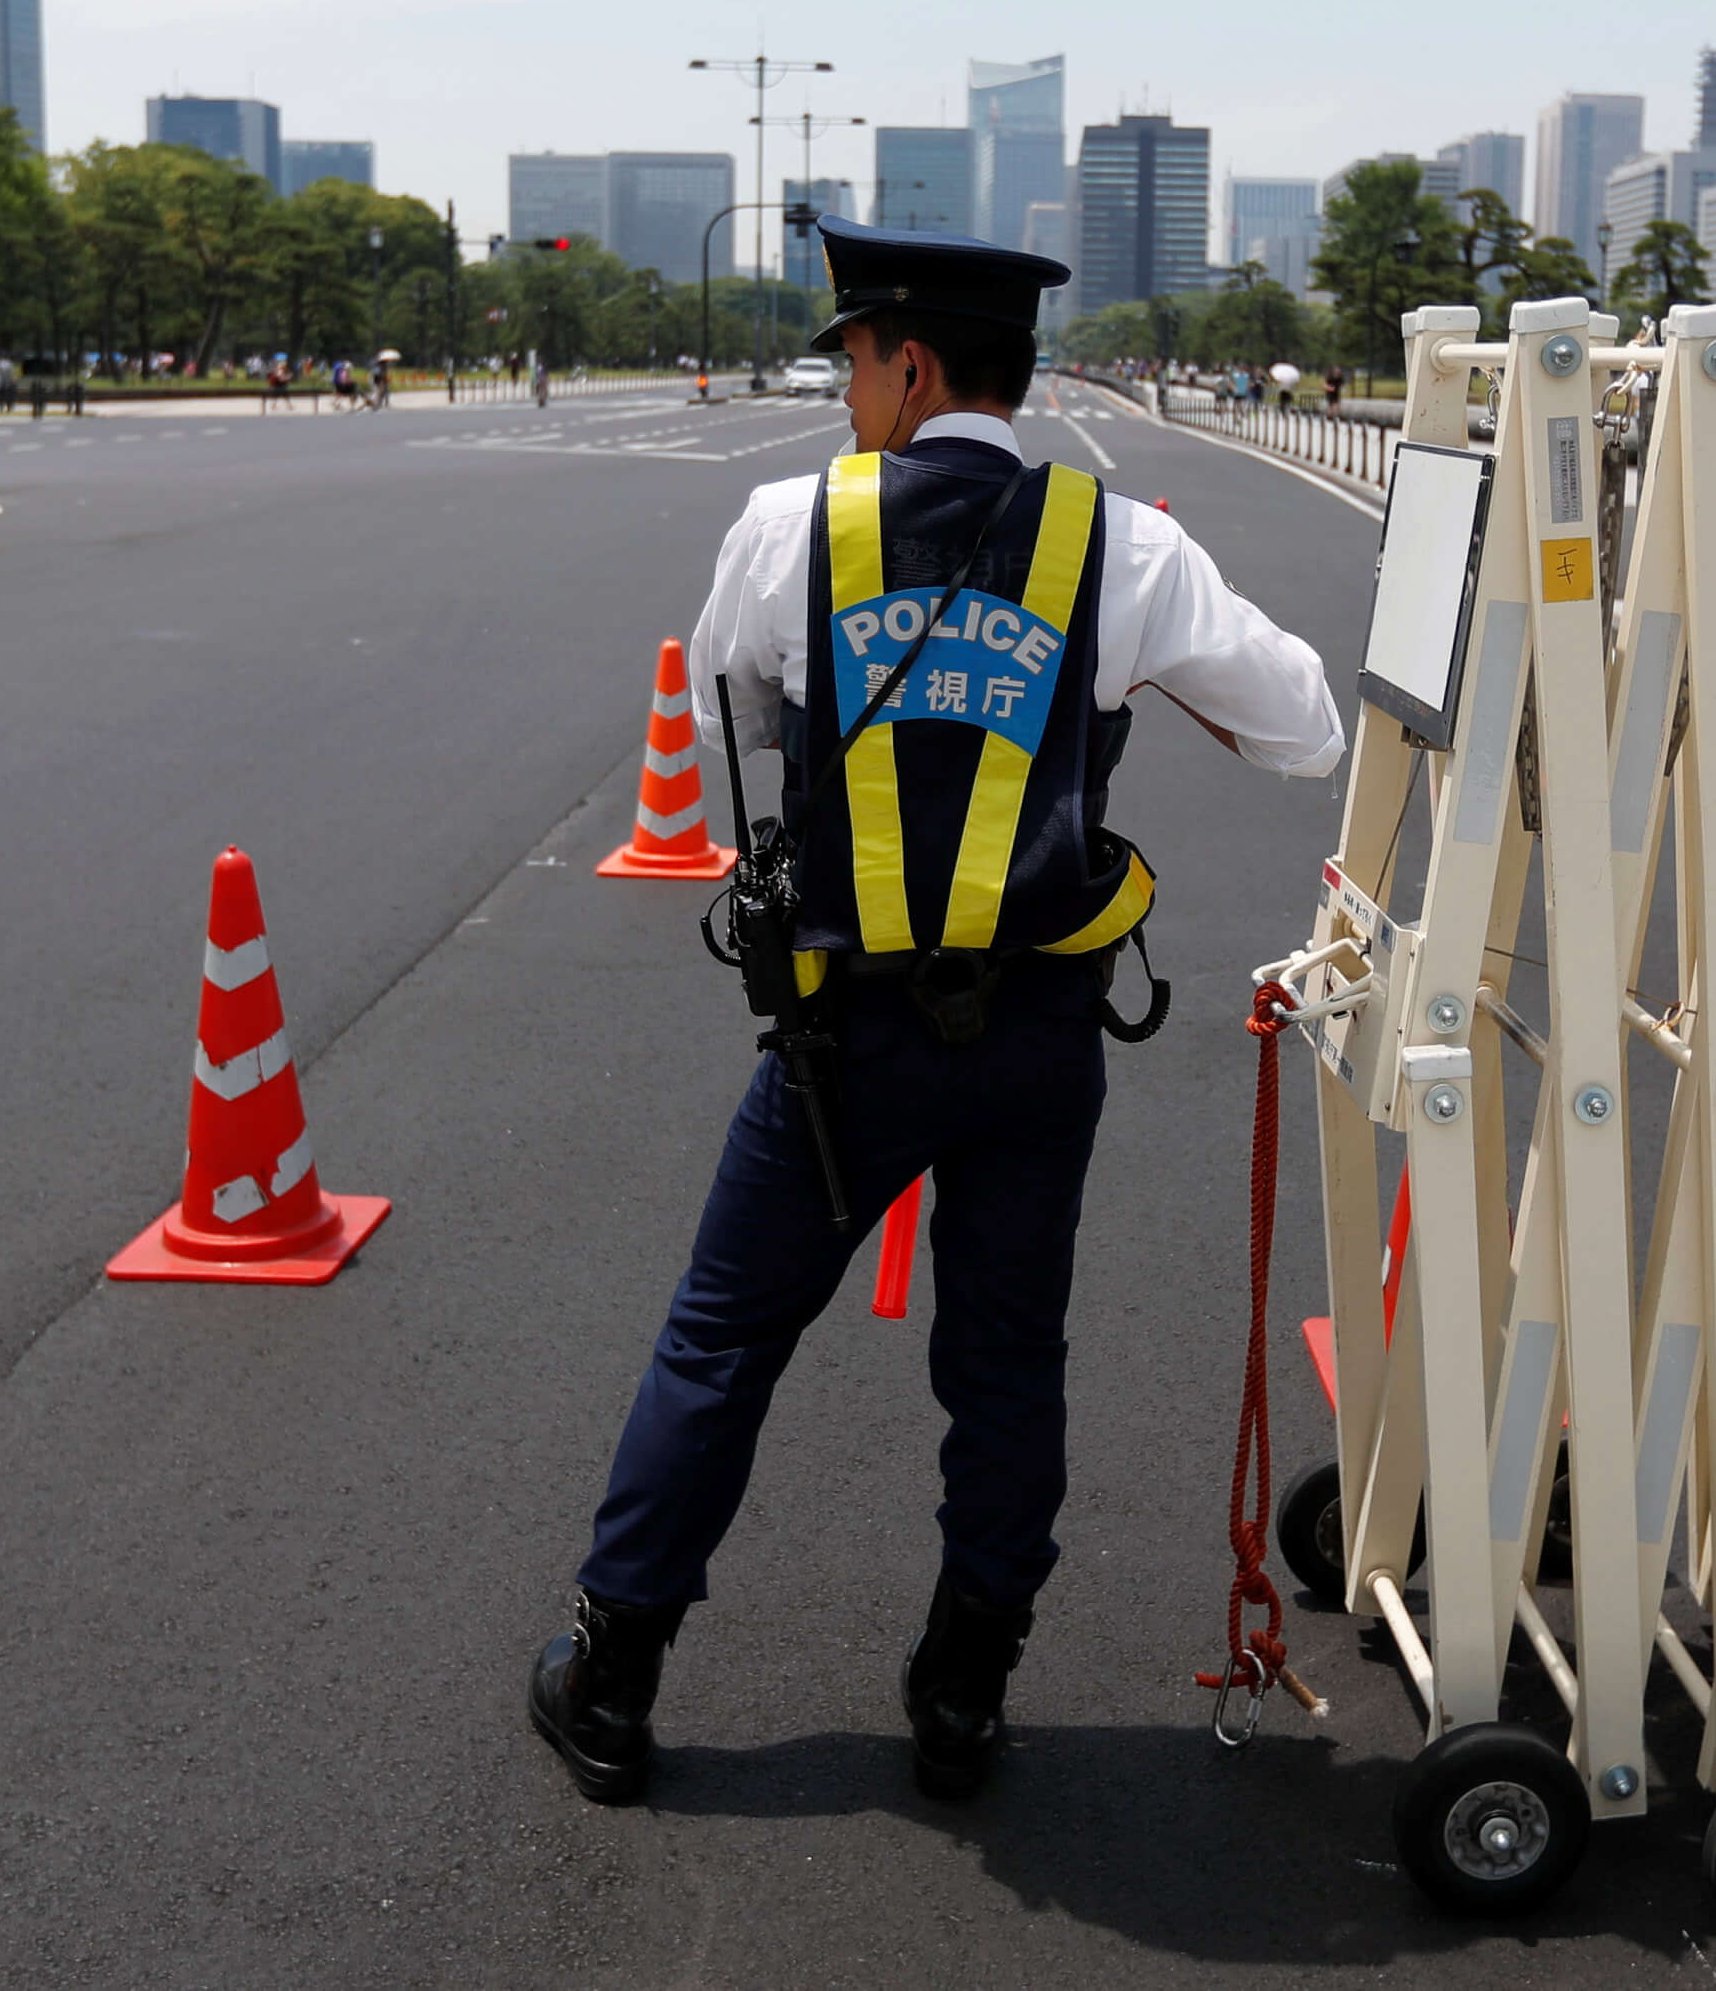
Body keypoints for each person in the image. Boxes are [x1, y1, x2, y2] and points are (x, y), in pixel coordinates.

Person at [528, 219, 1344, 1809]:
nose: (845, 392)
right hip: (1037, 1036)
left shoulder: (789, 526)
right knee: (1006, 1360)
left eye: (851, 363)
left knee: (723, 1340)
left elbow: (740, 699)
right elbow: (1303, 729)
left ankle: (613, 1678)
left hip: (847, 1042)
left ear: (908, 364)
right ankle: (964, 1692)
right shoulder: (1120, 547)